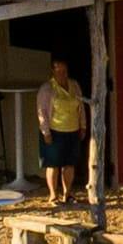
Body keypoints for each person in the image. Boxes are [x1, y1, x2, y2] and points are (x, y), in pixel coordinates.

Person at [36, 59, 91, 210]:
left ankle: (68, 193)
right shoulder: (47, 89)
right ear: (53, 71)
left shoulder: (74, 85)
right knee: (53, 164)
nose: (62, 74)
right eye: (58, 70)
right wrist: (45, 131)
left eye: (64, 71)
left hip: (72, 130)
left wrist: (83, 125)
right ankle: (53, 194)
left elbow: (80, 106)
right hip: (54, 130)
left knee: (69, 163)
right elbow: (42, 112)